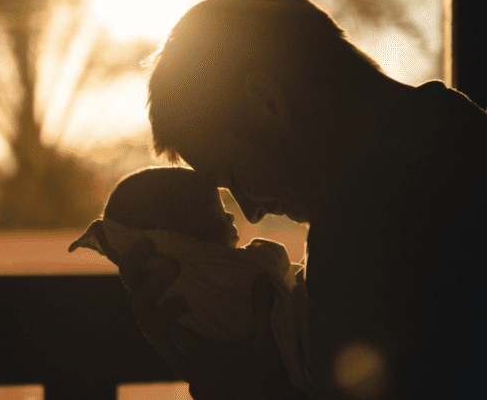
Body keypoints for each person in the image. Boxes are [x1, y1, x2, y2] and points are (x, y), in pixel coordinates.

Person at [117, 0, 487, 399]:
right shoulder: (464, 139)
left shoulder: (370, 210)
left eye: (233, 174)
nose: (252, 212)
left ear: (268, 103)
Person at [69, 167, 313, 396]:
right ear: (173, 239)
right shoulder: (207, 278)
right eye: (212, 211)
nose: (234, 213)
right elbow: (269, 266)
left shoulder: (169, 296)